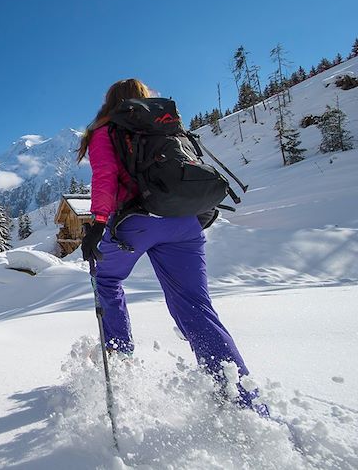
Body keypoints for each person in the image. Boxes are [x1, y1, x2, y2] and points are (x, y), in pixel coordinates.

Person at [76, 78, 266, 415]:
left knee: (106, 280)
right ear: (145, 99)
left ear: (110, 103)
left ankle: (120, 359)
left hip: (135, 224)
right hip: (184, 222)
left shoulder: (106, 131)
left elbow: (104, 176)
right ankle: (242, 401)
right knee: (195, 306)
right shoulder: (166, 127)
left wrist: (99, 223)